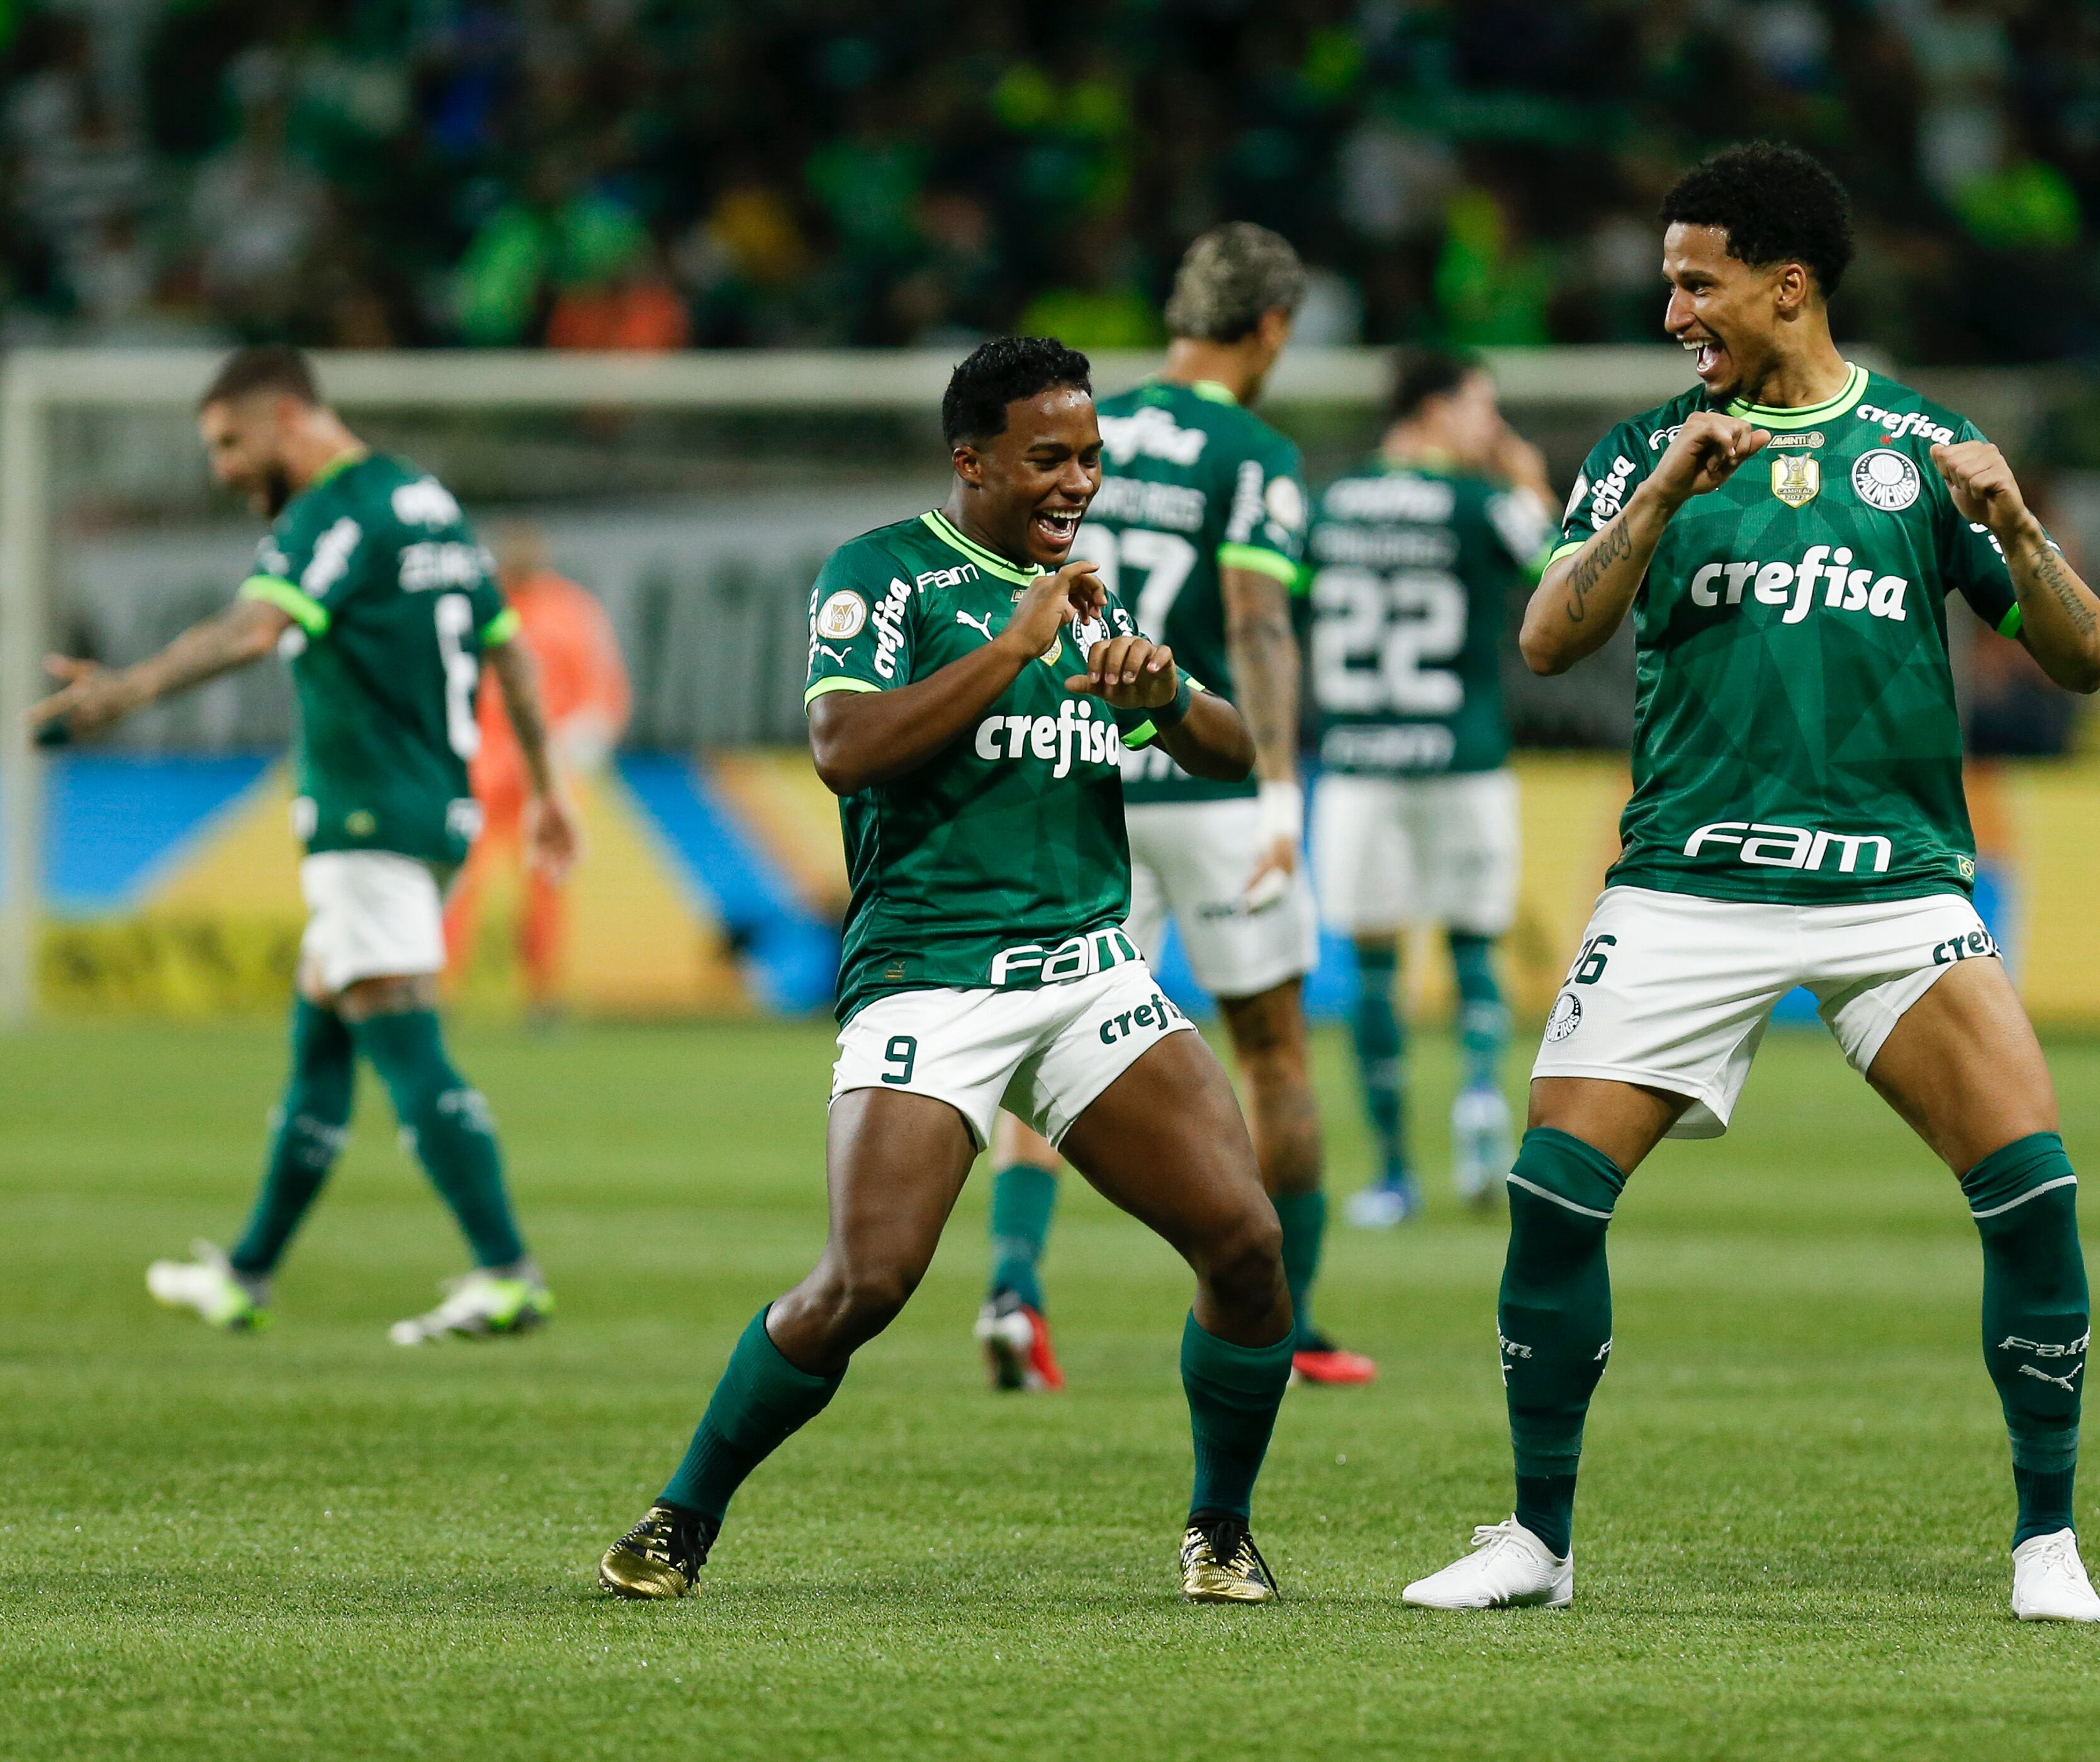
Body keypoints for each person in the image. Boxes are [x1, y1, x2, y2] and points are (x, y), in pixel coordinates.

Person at [1396, 143, 2100, 1622]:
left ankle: (2048, 1543)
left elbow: (2084, 656)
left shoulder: (1925, 446)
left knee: (2033, 1191)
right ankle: (1538, 1539)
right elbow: (1547, 639)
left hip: (1892, 887)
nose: (1673, 313)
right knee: (1552, 1193)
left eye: (1696, 284)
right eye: (1671, 284)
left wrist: (2017, 525)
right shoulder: (1644, 449)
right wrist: (1661, 496)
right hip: (1688, 881)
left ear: (1789, 287)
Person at [598, 338, 1298, 1604]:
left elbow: (1229, 750)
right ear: (972, 461)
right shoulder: (885, 573)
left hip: (1089, 973)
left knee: (1246, 1243)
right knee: (863, 1284)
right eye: (1049, 458)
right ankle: (680, 1513)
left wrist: (1163, 693)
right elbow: (843, 746)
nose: (1077, 482)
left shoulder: (1088, 597)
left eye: (1090, 457)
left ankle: (1220, 1529)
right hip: (932, 975)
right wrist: (1013, 649)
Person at [30, 346, 576, 1345]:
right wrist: (548, 789)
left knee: (402, 1034)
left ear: (285, 416)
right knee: (322, 1025)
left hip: (367, 816)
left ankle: (506, 1272)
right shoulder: (424, 500)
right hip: (432, 810)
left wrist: (123, 692)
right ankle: (246, 1273)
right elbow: (509, 649)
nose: (223, 470)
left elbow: (254, 630)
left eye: (229, 444)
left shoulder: (335, 513)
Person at [974, 223, 1375, 1391]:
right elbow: (1256, 621)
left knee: (1051, 1042)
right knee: (1274, 1049)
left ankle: (1013, 1285)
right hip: (1203, 772)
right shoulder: (1251, 449)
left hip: (1080, 767)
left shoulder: (1081, 431)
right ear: (1272, 329)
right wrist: (1281, 792)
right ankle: (1288, 1325)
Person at [1308, 349, 1557, 1225]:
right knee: (1474, 946)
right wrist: (1531, 486)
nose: (1492, 426)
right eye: (1481, 406)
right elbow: (1563, 575)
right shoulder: (1480, 503)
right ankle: (1481, 1096)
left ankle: (1391, 1174)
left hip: (1357, 762)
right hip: (1464, 756)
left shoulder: (1328, 504)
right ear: (1434, 409)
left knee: (1373, 966)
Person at [442, 522, 631, 1020]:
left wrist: (585, 738)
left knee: (547, 880)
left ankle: (544, 994)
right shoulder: (476, 607)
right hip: (479, 766)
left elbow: (603, 688)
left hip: (546, 768)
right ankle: (439, 991)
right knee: (458, 879)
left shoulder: (572, 610)